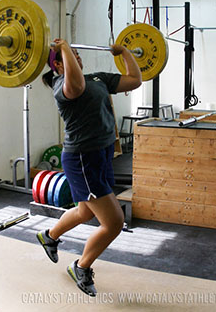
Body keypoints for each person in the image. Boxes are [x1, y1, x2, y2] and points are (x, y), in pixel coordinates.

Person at [37, 38, 142, 296]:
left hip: (103, 153)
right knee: (114, 223)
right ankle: (81, 266)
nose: (78, 57)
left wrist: (125, 52)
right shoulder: (63, 85)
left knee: (85, 211)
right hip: (83, 159)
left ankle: (49, 235)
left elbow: (134, 80)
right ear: (59, 65)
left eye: (77, 53)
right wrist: (62, 48)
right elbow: (77, 84)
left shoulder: (98, 78)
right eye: (71, 55)